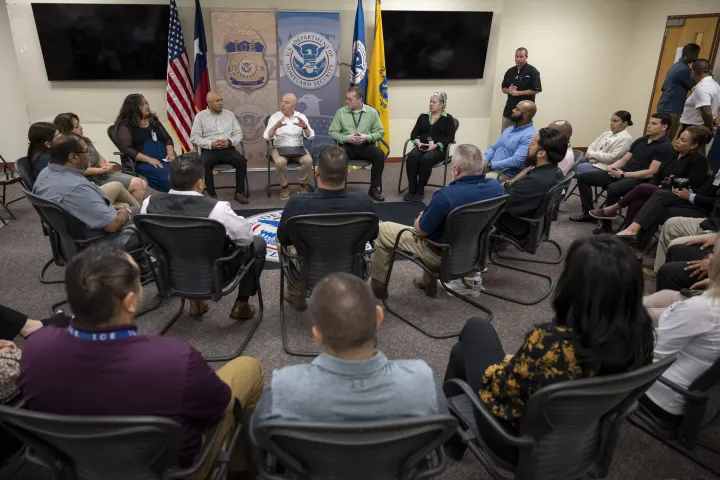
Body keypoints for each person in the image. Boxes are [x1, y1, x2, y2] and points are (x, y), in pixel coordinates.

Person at [18, 246, 264, 479]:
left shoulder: (36, 349)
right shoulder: (173, 359)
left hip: (78, 464)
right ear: (130, 302)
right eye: (138, 279)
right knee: (249, 367)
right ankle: (241, 468)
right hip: (175, 470)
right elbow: (222, 408)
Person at [443, 235, 654, 463]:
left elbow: (499, 390)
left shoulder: (552, 344)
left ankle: (446, 439)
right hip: (585, 438)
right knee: (460, 352)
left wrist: (511, 364)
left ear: (573, 285)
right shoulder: (642, 337)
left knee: (476, 329)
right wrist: (525, 364)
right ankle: (450, 440)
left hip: (515, 439)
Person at [251, 272, 446, 425]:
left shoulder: (283, 389)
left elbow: (261, 435)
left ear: (317, 335)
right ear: (379, 317)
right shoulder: (423, 381)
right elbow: (440, 428)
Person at [140, 152, 265, 320]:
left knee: (179, 246)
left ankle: (195, 302)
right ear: (200, 183)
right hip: (212, 276)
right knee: (257, 244)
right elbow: (246, 238)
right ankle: (242, 305)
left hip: (169, 274)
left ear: (170, 177)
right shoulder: (217, 209)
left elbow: (148, 240)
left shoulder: (148, 203)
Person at [370, 144, 504, 299]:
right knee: (439, 227)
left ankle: (378, 290)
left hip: (440, 256)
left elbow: (421, 231)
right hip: (474, 252)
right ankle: (428, 283)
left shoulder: (445, 196)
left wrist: (420, 219)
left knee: (383, 230)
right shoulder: (496, 188)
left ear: (455, 170)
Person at [277, 146, 375, 310]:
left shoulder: (296, 203)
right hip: (352, 271)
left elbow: (284, 239)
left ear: (316, 171)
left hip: (310, 273)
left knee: (280, 242)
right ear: (348, 173)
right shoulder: (364, 202)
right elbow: (373, 236)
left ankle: (296, 295)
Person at [640, 235, 720, 421]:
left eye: (713, 254)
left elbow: (655, 352)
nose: (708, 258)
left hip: (663, 393)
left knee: (621, 325)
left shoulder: (704, 310)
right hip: (692, 384)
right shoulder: (706, 308)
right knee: (665, 296)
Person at [589, 126, 711, 234]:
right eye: (679, 137)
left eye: (683, 140)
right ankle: (631, 241)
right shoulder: (674, 154)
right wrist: (657, 185)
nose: (677, 141)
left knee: (642, 187)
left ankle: (612, 208)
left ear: (694, 145)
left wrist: (663, 186)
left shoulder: (699, 160)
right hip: (662, 189)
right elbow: (658, 175)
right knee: (636, 202)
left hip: (679, 195)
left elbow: (690, 185)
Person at [33, 134, 141, 254]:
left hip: (72, 239)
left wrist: (107, 208)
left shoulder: (45, 173)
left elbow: (79, 206)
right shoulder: (76, 187)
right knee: (151, 225)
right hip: (96, 244)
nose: (89, 155)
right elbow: (113, 225)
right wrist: (125, 213)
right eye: (86, 151)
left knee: (132, 208)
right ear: (73, 157)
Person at [570, 114, 674, 232]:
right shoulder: (641, 140)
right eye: (649, 122)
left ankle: (606, 226)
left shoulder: (665, 147)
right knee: (583, 178)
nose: (649, 126)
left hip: (639, 179)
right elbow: (624, 159)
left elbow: (651, 172)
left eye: (654, 124)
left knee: (613, 188)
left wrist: (624, 175)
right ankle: (588, 213)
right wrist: (613, 167)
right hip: (623, 173)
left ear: (664, 126)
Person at [54, 113, 147, 204]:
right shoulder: (66, 149)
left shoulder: (85, 140)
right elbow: (79, 170)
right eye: (77, 126)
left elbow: (97, 156)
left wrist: (105, 166)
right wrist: (102, 170)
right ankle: (133, 212)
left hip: (102, 174)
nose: (81, 128)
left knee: (143, 183)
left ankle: (133, 210)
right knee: (138, 184)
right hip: (91, 180)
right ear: (67, 131)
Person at [494, 128, 567, 239]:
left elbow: (500, 202)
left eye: (532, 144)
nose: (528, 147)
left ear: (541, 153)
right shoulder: (555, 171)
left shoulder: (535, 181)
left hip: (512, 224)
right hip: (527, 214)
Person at [190, 91, 249, 204]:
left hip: (228, 149)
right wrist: (210, 143)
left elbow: (238, 134)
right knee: (204, 162)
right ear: (209, 103)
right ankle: (212, 194)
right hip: (209, 150)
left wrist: (229, 142)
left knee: (241, 161)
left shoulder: (229, 115)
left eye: (221, 100)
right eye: (217, 101)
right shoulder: (200, 116)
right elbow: (194, 138)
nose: (221, 103)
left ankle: (239, 192)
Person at [328, 86, 386, 202]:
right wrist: (346, 138)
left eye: (350, 99)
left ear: (359, 100)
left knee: (379, 154)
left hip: (365, 146)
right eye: (346, 99)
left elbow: (380, 132)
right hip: (347, 146)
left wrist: (367, 137)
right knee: (338, 155)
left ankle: (374, 188)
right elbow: (332, 132)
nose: (347, 102)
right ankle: (338, 187)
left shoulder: (371, 112)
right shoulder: (341, 112)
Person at [115, 93, 175, 193]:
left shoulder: (153, 120)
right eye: (142, 104)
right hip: (144, 163)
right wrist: (149, 159)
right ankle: (172, 200)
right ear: (133, 108)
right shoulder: (125, 125)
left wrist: (170, 153)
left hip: (165, 159)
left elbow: (167, 139)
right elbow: (126, 149)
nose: (147, 106)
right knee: (168, 176)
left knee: (182, 171)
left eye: (146, 103)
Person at [403, 92, 457, 201]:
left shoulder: (448, 119)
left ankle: (420, 189)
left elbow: (450, 138)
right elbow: (414, 134)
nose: (431, 104)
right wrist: (417, 142)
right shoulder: (423, 116)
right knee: (412, 157)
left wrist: (437, 145)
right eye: (430, 101)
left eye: (434, 102)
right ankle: (412, 188)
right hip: (421, 146)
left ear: (441, 105)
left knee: (426, 159)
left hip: (438, 149)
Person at [263, 93, 315, 200]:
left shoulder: (301, 117)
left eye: (286, 103)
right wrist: (275, 127)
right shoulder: (275, 117)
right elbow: (266, 137)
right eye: (282, 101)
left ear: (293, 106)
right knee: (280, 162)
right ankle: (284, 186)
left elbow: (311, 136)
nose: (282, 104)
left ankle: (302, 185)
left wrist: (305, 127)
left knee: (308, 160)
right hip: (279, 147)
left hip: (298, 147)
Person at [657, 43, 701, 139]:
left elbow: (663, 87)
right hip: (671, 109)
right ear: (689, 54)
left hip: (664, 105)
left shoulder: (675, 66)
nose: (696, 57)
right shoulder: (684, 70)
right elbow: (696, 88)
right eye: (696, 55)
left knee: (659, 136)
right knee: (666, 139)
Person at [484, 100, 537, 179]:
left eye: (517, 109)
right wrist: (485, 161)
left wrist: (491, 165)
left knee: (480, 181)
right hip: (491, 168)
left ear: (525, 114)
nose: (513, 110)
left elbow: (516, 161)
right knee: (464, 173)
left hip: (507, 174)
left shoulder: (529, 135)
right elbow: (493, 147)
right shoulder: (509, 129)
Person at [500, 47, 541, 131]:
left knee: (521, 136)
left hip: (524, 113)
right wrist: (508, 91)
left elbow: (536, 89)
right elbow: (503, 88)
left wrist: (519, 93)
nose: (518, 59)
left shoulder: (533, 71)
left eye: (521, 57)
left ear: (526, 57)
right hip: (509, 110)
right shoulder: (510, 71)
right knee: (505, 135)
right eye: (516, 56)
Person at [679, 59, 720, 134]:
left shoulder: (702, 87)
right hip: (701, 128)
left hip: (694, 130)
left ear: (693, 72)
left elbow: (707, 112)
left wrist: (709, 129)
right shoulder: (715, 85)